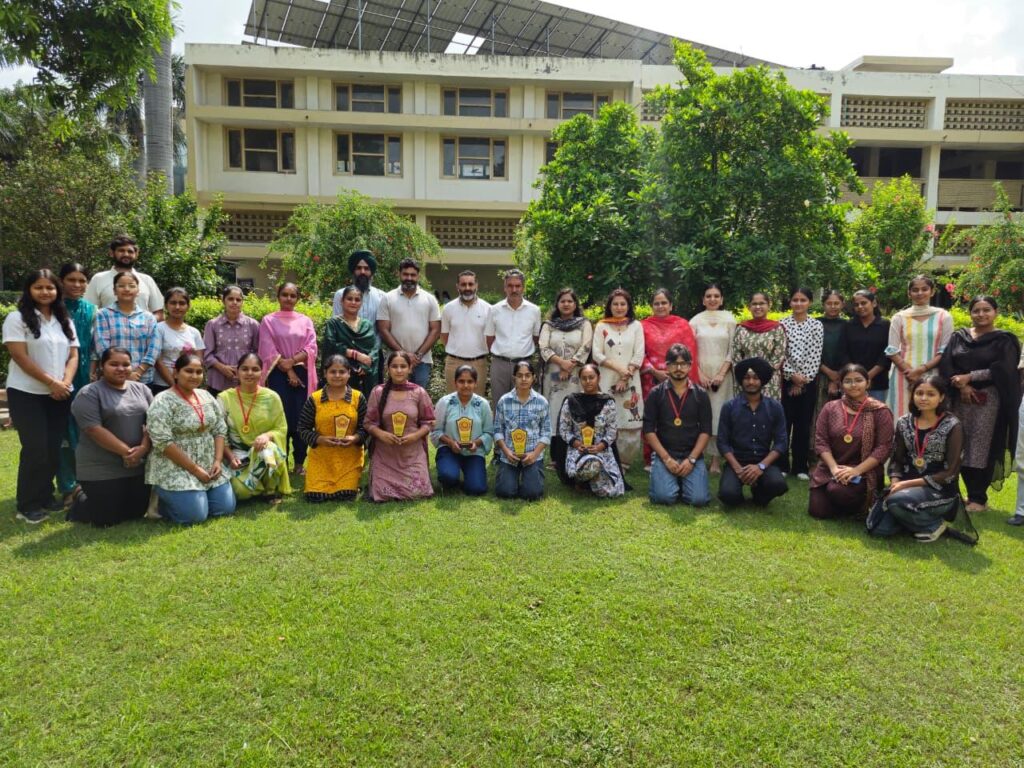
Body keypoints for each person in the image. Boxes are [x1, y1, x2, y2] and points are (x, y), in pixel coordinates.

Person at [2, 269, 80, 523]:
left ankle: (45, 495)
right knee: (35, 449)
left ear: (57, 291)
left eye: (50, 287)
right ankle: (27, 504)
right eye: (39, 287)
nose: (45, 292)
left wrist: (65, 382)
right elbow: (19, 356)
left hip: (59, 394)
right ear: (29, 290)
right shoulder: (16, 318)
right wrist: (51, 382)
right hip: (27, 393)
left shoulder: (63, 319)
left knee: (52, 448)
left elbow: (74, 354)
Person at [939, 295, 1021, 512]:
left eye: (986, 310)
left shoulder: (1004, 340)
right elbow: (947, 363)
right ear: (970, 313)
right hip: (958, 399)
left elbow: (1004, 369)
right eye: (976, 310)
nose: (981, 314)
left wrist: (971, 377)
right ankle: (957, 494)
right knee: (957, 444)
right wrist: (962, 385)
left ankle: (978, 498)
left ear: (996, 312)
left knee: (980, 448)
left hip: (988, 402)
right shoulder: (959, 337)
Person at [868, 374, 968, 543]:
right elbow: (896, 460)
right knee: (878, 528)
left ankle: (933, 525)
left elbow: (950, 472)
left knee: (896, 501)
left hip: (939, 490)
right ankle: (911, 520)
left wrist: (904, 485)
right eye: (919, 393)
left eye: (930, 394)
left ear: (941, 397)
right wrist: (895, 483)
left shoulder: (952, 425)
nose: (923, 398)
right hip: (904, 488)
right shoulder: (904, 422)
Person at [66, 347, 153, 526]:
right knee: (106, 520)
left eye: (126, 364)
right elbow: (93, 429)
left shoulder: (143, 389)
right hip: (102, 467)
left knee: (136, 512)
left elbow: (153, 423)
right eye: (114, 364)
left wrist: (143, 448)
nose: (121, 369)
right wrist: (129, 453)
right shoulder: (89, 393)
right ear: (102, 366)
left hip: (137, 464)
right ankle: (80, 496)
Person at [145, 353, 236, 524]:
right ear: (176, 372)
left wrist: (217, 461)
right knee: (194, 517)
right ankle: (161, 502)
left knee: (224, 509)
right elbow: (163, 442)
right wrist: (195, 470)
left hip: (208, 464)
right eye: (188, 371)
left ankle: (195, 497)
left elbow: (219, 429)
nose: (194, 376)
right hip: (175, 466)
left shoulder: (206, 396)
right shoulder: (162, 400)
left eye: (199, 372)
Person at [808, 363, 894, 519]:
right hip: (830, 468)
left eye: (858, 380)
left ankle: (860, 504)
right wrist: (834, 468)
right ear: (841, 385)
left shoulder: (880, 411)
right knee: (817, 511)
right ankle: (840, 501)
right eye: (848, 381)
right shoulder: (830, 408)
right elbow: (821, 442)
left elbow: (883, 448)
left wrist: (856, 471)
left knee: (837, 491)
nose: (853, 385)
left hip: (863, 472)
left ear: (868, 383)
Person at [258, 282, 318, 474]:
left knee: (302, 418)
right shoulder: (268, 320)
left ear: (297, 299)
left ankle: (299, 463)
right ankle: (281, 461)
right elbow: (267, 349)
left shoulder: (305, 321)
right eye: (285, 294)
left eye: (293, 295)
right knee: (280, 416)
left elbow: (312, 347)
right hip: (277, 374)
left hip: (302, 374)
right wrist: (288, 369)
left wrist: (292, 362)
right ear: (278, 296)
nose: (288, 299)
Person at [643, 344, 712, 506]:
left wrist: (692, 459)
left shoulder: (701, 394)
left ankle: (680, 479)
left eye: (683, 364)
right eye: (674, 364)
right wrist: (666, 459)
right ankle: (669, 477)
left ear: (690, 366)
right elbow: (648, 430)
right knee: (664, 498)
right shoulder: (656, 393)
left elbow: (706, 431)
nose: (679, 368)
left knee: (698, 500)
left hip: (691, 455)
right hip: (665, 454)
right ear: (667, 366)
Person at [218, 353, 292, 503]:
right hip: (238, 456)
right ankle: (256, 486)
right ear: (237, 371)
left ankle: (270, 489)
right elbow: (219, 433)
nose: (250, 373)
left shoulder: (271, 397)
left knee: (268, 450)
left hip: (264, 450)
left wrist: (267, 436)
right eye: (245, 369)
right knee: (240, 492)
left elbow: (281, 428)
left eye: (255, 369)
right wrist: (230, 457)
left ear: (261, 372)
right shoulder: (225, 398)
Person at [717, 357, 789, 508]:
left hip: (763, 461)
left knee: (777, 484)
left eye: (755, 378)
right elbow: (722, 442)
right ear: (741, 381)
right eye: (746, 378)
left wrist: (761, 467)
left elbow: (781, 443)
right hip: (737, 461)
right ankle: (737, 495)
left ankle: (759, 495)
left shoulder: (775, 407)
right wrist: (738, 469)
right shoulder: (729, 407)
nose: (751, 382)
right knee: (728, 495)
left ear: (762, 380)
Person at [364, 351, 436, 501]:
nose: (398, 370)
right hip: (386, 452)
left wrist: (415, 436)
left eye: (403, 366)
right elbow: (369, 422)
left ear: (410, 369)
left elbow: (429, 421)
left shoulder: (419, 392)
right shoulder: (378, 392)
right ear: (388, 369)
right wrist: (381, 434)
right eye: (394, 366)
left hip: (412, 451)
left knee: (418, 492)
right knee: (382, 493)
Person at [640, 288, 699, 466]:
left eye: (664, 303)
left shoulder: (682, 325)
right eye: (656, 303)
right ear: (651, 306)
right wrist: (653, 371)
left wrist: (677, 373)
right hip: (651, 379)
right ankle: (650, 456)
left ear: (671, 305)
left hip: (679, 378)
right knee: (653, 416)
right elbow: (638, 352)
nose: (660, 306)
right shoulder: (643, 326)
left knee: (674, 415)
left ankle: (677, 452)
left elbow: (689, 352)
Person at [298, 355, 368, 502]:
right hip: (322, 458)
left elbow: (366, 427)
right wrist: (319, 439)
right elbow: (302, 428)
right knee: (315, 496)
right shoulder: (315, 399)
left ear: (349, 373)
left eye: (342, 372)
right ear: (325, 374)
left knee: (346, 495)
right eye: (333, 371)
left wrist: (355, 438)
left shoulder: (358, 397)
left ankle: (352, 483)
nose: (337, 375)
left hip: (349, 458)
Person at [55, 262, 97, 506]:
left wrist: (93, 372)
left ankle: (86, 482)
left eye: (82, 280)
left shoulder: (92, 310)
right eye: (72, 279)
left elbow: (96, 346)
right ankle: (67, 486)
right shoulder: (53, 309)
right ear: (62, 281)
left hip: (85, 378)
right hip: (57, 377)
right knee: (63, 432)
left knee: (83, 431)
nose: (77, 285)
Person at [885, 274, 953, 418]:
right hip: (903, 375)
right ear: (909, 293)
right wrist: (910, 372)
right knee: (901, 414)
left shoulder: (943, 316)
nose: (920, 293)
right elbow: (892, 350)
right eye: (915, 290)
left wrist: (921, 370)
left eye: (924, 289)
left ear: (932, 292)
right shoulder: (899, 317)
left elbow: (945, 350)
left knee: (929, 415)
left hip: (933, 374)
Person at [592, 288, 645, 467]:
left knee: (629, 417)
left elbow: (639, 354)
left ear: (628, 306)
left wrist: (624, 377)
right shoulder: (602, 326)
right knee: (606, 418)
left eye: (623, 304)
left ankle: (624, 461)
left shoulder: (636, 326)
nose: (619, 307)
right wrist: (619, 369)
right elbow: (597, 354)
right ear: (610, 306)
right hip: (606, 378)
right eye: (615, 304)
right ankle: (604, 456)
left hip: (631, 380)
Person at [556, 363, 625, 497]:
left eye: (591, 377)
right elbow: (564, 429)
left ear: (599, 378)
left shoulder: (608, 402)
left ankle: (591, 483)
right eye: (584, 378)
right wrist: (577, 444)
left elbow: (612, 430)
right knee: (592, 465)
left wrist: (600, 446)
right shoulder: (571, 401)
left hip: (602, 449)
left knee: (613, 492)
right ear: (580, 380)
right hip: (578, 450)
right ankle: (581, 481)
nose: (588, 381)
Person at [690, 283, 736, 475]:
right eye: (708, 296)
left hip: (723, 377)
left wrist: (721, 374)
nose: (712, 299)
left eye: (716, 296)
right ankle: (698, 455)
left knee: (719, 415)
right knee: (700, 416)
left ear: (722, 299)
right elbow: (690, 350)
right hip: (700, 375)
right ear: (703, 300)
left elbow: (733, 349)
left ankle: (716, 460)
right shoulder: (695, 321)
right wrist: (699, 374)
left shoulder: (730, 320)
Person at [377, 258, 441, 389]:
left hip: (421, 361)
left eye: (413, 275)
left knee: (418, 397)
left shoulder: (430, 299)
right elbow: (383, 329)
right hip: (395, 361)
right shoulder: (387, 298)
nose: (409, 278)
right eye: (405, 274)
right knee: (394, 397)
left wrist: (418, 355)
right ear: (399, 274)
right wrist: (403, 355)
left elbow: (435, 330)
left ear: (418, 276)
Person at [780, 287, 824, 479]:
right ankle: (781, 464)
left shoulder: (816, 325)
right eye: (795, 300)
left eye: (803, 300)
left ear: (810, 302)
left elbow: (815, 354)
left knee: (803, 424)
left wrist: (802, 381)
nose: (799, 303)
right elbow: (781, 353)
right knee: (783, 422)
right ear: (790, 302)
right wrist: (791, 376)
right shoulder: (782, 324)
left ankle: (800, 466)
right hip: (785, 381)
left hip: (808, 382)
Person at [431, 364, 494, 496]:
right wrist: (450, 443)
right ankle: (451, 474)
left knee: (477, 489)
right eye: (461, 381)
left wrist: (476, 443)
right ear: (455, 383)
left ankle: (470, 477)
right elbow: (436, 431)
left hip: (474, 452)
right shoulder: (445, 402)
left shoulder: (483, 404)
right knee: (448, 476)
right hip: (449, 449)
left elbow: (489, 433)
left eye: (470, 381)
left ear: (476, 383)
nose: (465, 385)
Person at [539, 288, 593, 439]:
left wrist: (570, 365)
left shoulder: (584, 324)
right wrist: (562, 363)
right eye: (563, 301)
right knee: (554, 408)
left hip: (576, 375)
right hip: (553, 375)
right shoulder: (549, 325)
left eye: (570, 301)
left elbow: (586, 346)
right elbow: (543, 347)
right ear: (557, 304)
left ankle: (576, 443)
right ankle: (555, 447)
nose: (566, 304)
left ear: (575, 304)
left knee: (576, 408)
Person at [494, 359, 550, 500]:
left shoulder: (542, 402)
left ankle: (531, 478)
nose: (524, 379)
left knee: (532, 494)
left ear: (533, 378)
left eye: (527, 375)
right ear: (514, 378)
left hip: (532, 455)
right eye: (520, 375)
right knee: (505, 492)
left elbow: (546, 433)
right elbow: (498, 430)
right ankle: (509, 479)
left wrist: (534, 454)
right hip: (510, 456)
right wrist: (506, 452)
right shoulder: (504, 401)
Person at [486, 269, 542, 406]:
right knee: (499, 405)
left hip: (524, 365)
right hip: (500, 365)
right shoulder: (494, 310)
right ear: (505, 287)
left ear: (523, 287)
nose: (514, 289)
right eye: (510, 286)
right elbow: (489, 338)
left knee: (524, 405)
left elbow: (536, 338)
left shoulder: (534, 310)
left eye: (518, 286)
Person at [93, 271, 159, 385]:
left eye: (132, 286)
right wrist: (124, 373)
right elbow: (102, 347)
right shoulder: (103, 315)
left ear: (138, 291)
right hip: (112, 379)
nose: (127, 289)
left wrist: (138, 372)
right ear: (114, 290)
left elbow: (154, 349)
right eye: (121, 286)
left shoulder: (149, 318)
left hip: (142, 379)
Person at [84, 234, 164, 319]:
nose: (126, 254)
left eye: (130, 251)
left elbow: (159, 313)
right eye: (121, 251)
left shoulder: (147, 280)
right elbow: (88, 312)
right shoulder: (98, 279)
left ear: (136, 254)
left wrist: (144, 323)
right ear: (111, 253)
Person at [203, 284, 260, 397]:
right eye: (230, 299)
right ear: (223, 300)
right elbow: (207, 353)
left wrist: (243, 369)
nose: (234, 302)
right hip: (218, 381)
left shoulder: (253, 325)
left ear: (242, 302)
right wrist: (222, 368)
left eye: (238, 300)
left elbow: (258, 352)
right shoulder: (213, 324)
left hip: (245, 381)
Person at [440, 271, 491, 393]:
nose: (467, 288)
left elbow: (490, 336)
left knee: (477, 401)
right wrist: (457, 350)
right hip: (454, 362)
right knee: (453, 400)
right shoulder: (448, 308)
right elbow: (444, 336)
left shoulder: (488, 309)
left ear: (476, 285)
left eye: (470, 284)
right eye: (463, 284)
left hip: (478, 363)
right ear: (457, 286)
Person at [323, 286, 380, 395]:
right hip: (341, 373)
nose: (353, 302)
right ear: (342, 301)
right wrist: (355, 354)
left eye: (357, 300)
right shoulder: (334, 323)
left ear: (361, 303)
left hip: (364, 376)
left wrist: (365, 366)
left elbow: (374, 350)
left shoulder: (367, 325)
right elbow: (330, 346)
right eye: (349, 299)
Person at [730, 292, 785, 400]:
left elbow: (778, 356)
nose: (758, 307)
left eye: (762, 303)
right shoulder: (741, 328)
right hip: (745, 380)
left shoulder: (777, 328)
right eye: (754, 304)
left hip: (768, 380)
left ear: (769, 305)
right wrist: (749, 375)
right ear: (749, 307)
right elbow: (736, 355)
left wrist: (760, 374)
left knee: (767, 409)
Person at [152, 287, 205, 395]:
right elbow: (157, 361)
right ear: (166, 305)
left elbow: (198, 361)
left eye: (182, 303)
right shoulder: (158, 329)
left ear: (188, 306)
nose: (177, 307)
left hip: (188, 386)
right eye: (173, 303)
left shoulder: (194, 332)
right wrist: (175, 386)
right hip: (163, 386)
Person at [842, 289, 890, 402]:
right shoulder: (849, 325)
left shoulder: (885, 325)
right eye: (856, 304)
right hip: (852, 382)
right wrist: (855, 375)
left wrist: (867, 376)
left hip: (877, 382)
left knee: (876, 412)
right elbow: (843, 352)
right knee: (851, 412)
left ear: (874, 303)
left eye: (863, 303)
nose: (860, 307)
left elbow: (887, 354)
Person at [332, 249, 386, 328]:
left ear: (371, 272)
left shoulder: (381, 296)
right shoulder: (341, 294)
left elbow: (383, 328)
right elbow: (336, 326)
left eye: (366, 268)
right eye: (359, 268)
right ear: (353, 271)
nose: (362, 272)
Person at [815, 289, 847, 418]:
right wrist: (828, 372)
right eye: (829, 303)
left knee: (840, 416)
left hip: (843, 376)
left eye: (836, 303)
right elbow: (810, 352)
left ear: (842, 304)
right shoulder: (815, 324)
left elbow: (848, 351)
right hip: (818, 374)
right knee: (818, 415)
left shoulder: (848, 325)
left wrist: (838, 376)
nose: (833, 306)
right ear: (823, 304)